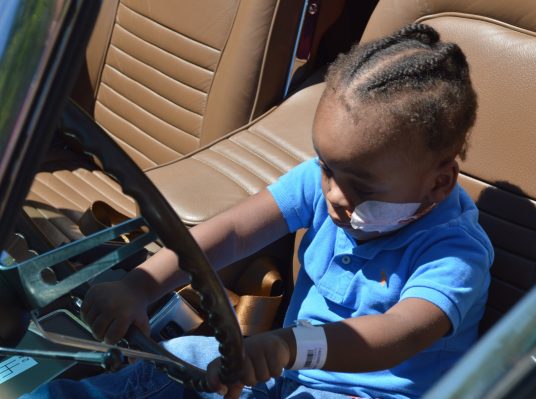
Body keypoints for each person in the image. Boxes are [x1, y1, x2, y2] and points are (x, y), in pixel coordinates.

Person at [23, 23, 493, 399]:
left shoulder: (453, 254)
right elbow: (230, 232)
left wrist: (290, 346)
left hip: (361, 390)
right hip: (285, 374)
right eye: (327, 168)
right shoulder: (326, 183)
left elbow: (398, 333)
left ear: (438, 183)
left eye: (358, 186)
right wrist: (140, 285)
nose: (331, 193)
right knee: (180, 355)